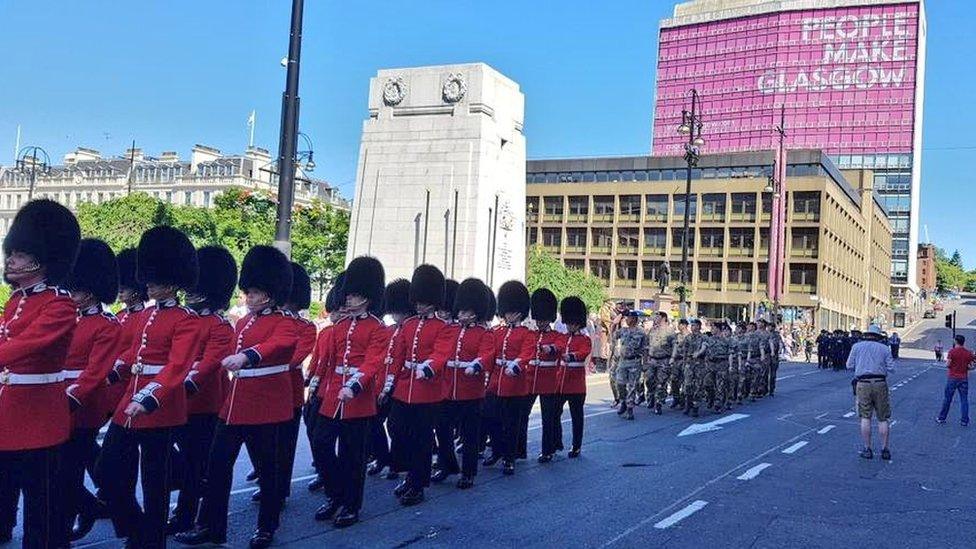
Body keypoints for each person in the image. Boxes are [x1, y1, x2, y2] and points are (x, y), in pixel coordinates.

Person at [176, 245, 296, 549]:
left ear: (269, 293)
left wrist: (247, 357)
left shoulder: (285, 322)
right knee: (216, 468)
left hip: (266, 407)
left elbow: (279, 345)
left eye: (254, 292)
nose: (249, 297)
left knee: (269, 473)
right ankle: (211, 526)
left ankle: (266, 527)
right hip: (234, 406)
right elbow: (225, 354)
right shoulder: (243, 323)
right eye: (248, 292)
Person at [97, 226, 200, 549]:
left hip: (160, 407)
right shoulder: (145, 316)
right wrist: (110, 375)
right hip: (131, 403)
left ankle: (151, 541)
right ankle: (138, 527)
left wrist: (149, 397)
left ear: (173, 282)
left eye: (156, 279)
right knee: (106, 470)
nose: (150, 284)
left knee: (155, 485)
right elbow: (132, 354)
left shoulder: (187, 320)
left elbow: (177, 366)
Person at [0, 200, 81, 547]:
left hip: (39, 417)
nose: (10, 260)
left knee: (42, 509)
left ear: (40, 259)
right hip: (9, 411)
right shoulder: (15, 301)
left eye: (18, 254)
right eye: (11, 253)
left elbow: (27, 345)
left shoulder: (60, 304)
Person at [309, 256, 387, 528]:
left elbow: (373, 361)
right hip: (332, 398)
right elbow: (329, 362)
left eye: (354, 296)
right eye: (349, 295)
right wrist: (317, 386)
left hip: (359, 399)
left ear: (367, 298)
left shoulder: (378, 328)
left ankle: (350, 505)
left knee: (353, 456)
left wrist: (354, 385)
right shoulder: (339, 327)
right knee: (320, 445)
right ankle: (335, 494)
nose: (349, 300)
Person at [167, 246, 237, 535]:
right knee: (183, 460)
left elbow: (210, 363)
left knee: (199, 463)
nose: (190, 294)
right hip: (178, 401)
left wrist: (185, 381)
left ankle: (190, 516)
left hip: (206, 404)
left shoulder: (219, 326)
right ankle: (186, 509)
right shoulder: (186, 320)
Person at [61, 239, 122, 542]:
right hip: (56, 401)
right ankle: (91, 507)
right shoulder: (66, 319)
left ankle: (92, 507)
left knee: (66, 470)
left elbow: (97, 371)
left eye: (77, 291)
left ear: (92, 291)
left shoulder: (106, 324)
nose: (72, 295)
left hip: (84, 405)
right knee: (66, 469)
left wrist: (72, 395)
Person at [389, 265, 449, 505]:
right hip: (405, 388)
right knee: (397, 429)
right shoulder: (409, 325)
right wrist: (389, 382)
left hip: (427, 391)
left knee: (421, 439)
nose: (420, 306)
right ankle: (407, 475)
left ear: (433, 302)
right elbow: (398, 356)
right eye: (418, 302)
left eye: (424, 302)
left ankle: (418, 484)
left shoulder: (442, 327)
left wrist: (428, 367)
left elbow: (441, 353)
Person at [432, 279, 494, 487]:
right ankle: (446, 464)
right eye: (461, 311)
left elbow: (487, 355)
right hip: (448, 389)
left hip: (471, 391)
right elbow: (441, 353)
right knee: (442, 429)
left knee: (469, 435)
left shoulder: (483, 333)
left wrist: (476, 365)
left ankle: (468, 472)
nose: (462, 315)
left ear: (476, 312)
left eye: (466, 311)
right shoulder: (450, 331)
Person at [365, 278, 411, 479]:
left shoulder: (411, 331)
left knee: (396, 425)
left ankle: (397, 462)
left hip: (401, 385)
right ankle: (382, 457)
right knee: (373, 422)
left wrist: (391, 386)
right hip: (383, 383)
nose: (395, 315)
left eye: (398, 311)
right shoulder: (389, 331)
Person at [487, 281, 532, 475]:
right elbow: (490, 353)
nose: (509, 315)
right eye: (507, 311)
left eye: (512, 312)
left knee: (512, 424)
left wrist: (516, 365)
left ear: (520, 313)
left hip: (515, 385)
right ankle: (497, 450)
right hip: (496, 382)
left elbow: (527, 353)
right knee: (491, 418)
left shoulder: (526, 333)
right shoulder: (497, 332)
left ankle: (509, 458)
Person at [522, 288, 565, 464]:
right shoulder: (530, 335)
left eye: (543, 319)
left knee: (548, 417)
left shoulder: (557, 336)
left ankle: (548, 450)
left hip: (548, 381)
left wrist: (550, 349)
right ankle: (519, 449)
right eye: (538, 319)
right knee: (523, 414)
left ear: (549, 319)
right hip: (530, 379)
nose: (540, 322)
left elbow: (559, 348)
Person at [846, 324, 894, 460]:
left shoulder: (856, 347)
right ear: (878, 337)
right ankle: (885, 449)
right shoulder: (885, 349)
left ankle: (867, 449)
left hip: (863, 383)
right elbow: (891, 367)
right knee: (883, 418)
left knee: (865, 417)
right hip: (880, 382)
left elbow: (849, 365)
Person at [553, 296, 591, 458]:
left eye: (572, 323)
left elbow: (584, 353)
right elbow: (558, 347)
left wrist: (572, 356)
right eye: (568, 323)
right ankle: (557, 441)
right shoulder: (562, 337)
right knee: (554, 414)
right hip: (561, 383)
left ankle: (576, 446)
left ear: (578, 323)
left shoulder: (585, 339)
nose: (569, 326)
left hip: (576, 385)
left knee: (577, 417)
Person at [611, 311, 648, 420]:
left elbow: (645, 349)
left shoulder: (641, 333)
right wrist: (614, 324)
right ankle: (623, 401)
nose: (626, 319)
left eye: (629, 318)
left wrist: (645, 363)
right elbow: (613, 335)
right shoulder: (623, 330)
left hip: (635, 362)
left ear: (634, 319)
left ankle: (630, 409)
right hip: (623, 361)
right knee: (620, 383)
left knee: (632, 386)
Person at [936, 334, 973, 426]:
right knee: (964, 399)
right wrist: (967, 368)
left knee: (948, 399)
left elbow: (948, 365)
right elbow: (972, 365)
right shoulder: (968, 353)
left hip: (953, 377)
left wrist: (949, 365)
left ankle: (942, 418)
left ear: (956, 341)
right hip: (963, 378)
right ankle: (964, 420)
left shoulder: (952, 352)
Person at [650, 312, 680, 414]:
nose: (655, 318)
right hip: (652, 359)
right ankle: (652, 397)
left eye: (658, 316)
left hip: (664, 359)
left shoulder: (669, 331)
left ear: (663, 318)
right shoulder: (653, 330)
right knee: (649, 380)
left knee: (661, 382)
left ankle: (659, 403)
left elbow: (675, 345)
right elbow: (647, 344)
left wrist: (672, 357)